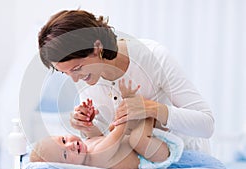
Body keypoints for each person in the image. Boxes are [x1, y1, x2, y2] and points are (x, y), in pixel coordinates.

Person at [38, 9, 214, 154]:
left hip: (188, 164)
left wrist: (151, 109)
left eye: (76, 69)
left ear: (97, 47)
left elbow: (206, 125)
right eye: (65, 73)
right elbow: (107, 140)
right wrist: (87, 126)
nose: (74, 79)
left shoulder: (153, 57)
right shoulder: (86, 75)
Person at [30, 79, 183, 169]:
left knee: (128, 134)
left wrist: (88, 124)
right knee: (136, 138)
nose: (70, 145)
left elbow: (98, 137)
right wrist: (127, 101)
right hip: (153, 156)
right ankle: (148, 113)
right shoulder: (95, 158)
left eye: (63, 140)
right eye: (65, 154)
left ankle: (146, 113)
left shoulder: (87, 148)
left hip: (145, 149)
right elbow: (117, 134)